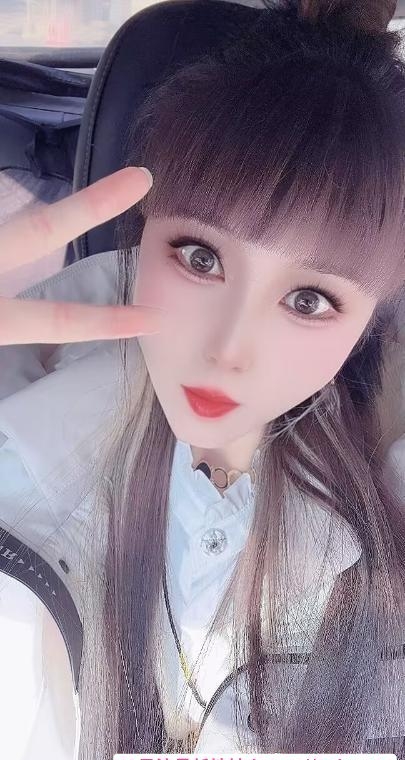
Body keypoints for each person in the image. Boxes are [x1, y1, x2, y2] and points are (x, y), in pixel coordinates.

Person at [0, 0, 405, 758]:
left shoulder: (382, 501)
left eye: (308, 300)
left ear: (368, 326)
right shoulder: (17, 445)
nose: (227, 350)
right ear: (142, 233)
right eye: (200, 257)